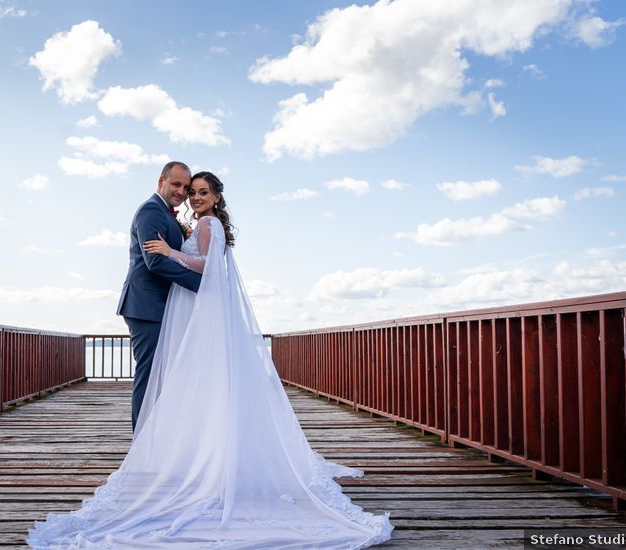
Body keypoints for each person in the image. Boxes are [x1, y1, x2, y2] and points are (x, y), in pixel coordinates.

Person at [27, 171, 393, 548]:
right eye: (187, 189)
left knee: (178, 380)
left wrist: (173, 253)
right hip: (158, 307)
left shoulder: (205, 222)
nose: (191, 195)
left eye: (199, 191)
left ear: (216, 196)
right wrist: (182, 262)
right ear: (163, 182)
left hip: (184, 307)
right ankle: (162, 449)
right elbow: (166, 265)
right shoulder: (159, 214)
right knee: (168, 379)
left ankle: (166, 454)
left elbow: (203, 265)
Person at [115, 161, 202, 431]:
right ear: (161, 181)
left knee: (163, 377)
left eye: (185, 187)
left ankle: (158, 440)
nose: (181, 191)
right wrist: (203, 284)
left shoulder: (168, 215)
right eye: (176, 184)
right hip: (146, 306)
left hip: (161, 306)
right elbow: (155, 262)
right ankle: (141, 446)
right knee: (150, 375)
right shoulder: (151, 211)